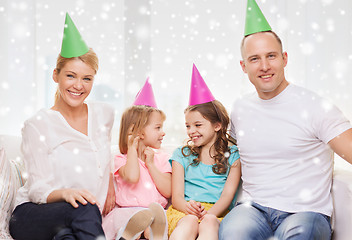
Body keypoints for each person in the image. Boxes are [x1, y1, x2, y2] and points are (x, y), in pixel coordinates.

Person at [219, 0, 352, 239]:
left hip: (306, 212)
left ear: (285, 58)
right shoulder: (240, 108)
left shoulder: (315, 107)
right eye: (255, 59)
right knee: (232, 233)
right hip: (252, 209)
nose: (265, 66)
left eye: (271, 56)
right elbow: (231, 155)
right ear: (243, 66)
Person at [9, 13, 115, 240]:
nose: (78, 85)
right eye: (71, 76)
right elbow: (37, 190)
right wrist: (66, 193)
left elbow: (104, 159)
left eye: (87, 78)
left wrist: (112, 188)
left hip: (78, 219)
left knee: (68, 235)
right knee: (86, 208)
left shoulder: (105, 113)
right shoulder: (37, 125)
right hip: (32, 214)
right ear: (56, 75)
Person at [167, 65, 241, 240]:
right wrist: (189, 209)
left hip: (217, 212)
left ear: (217, 125)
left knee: (208, 222)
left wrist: (207, 215)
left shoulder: (233, 155)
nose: (191, 130)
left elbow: (227, 196)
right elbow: (176, 198)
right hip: (185, 211)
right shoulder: (182, 154)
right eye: (188, 126)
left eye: (198, 125)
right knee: (190, 222)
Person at [102, 79, 171, 240]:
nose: (163, 133)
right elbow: (132, 177)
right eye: (158, 127)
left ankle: (153, 234)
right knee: (132, 223)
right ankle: (127, 234)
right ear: (139, 131)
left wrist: (151, 165)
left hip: (156, 213)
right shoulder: (121, 159)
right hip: (127, 211)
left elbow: (168, 191)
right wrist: (132, 148)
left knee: (154, 224)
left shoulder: (162, 157)